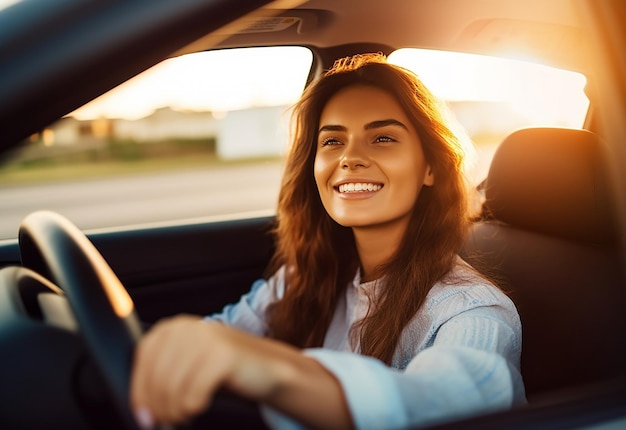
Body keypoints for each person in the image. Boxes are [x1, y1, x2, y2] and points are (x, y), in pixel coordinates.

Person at [130, 53, 525, 430]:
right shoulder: (308, 274)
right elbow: (221, 336)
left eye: (383, 138)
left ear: (431, 169)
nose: (350, 158)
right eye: (332, 141)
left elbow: (448, 403)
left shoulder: (472, 311)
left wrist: (271, 370)